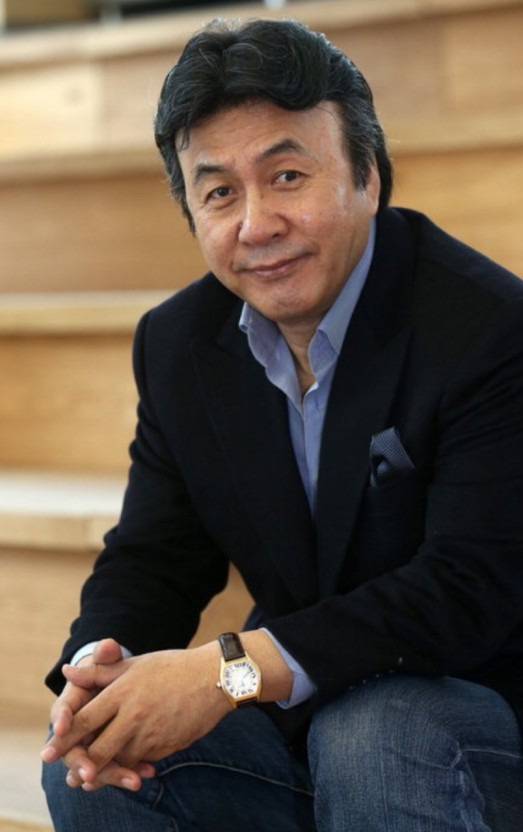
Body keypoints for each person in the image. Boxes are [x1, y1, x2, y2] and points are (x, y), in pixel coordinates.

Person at [41, 17, 523, 831]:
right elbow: (156, 555)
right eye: (219, 193)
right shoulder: (179, 344)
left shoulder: (487, 329)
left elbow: (464, 593)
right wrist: (96, 667)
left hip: (480, 716)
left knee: (376, 735)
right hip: (315, 715)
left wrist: (228, 669)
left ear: (368, 177)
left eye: (288, 176)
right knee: (96, 757)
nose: (256, 224)